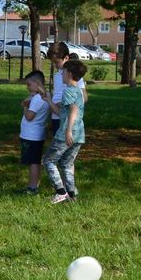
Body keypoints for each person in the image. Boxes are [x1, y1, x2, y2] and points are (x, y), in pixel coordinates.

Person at [43, 59, 88, 204]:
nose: (61, 74)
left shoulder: (68, 91)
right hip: (79, 134)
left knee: (48, 160)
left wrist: (68, 131)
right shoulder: (79, 92)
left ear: (68, 73)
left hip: (66, 134)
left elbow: (73, 109)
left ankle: (60, 192)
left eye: (63, 71)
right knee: (66, 164)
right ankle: (72, 195)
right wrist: (49, 100)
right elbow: (61, 112)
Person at [19, 70, 50, 195]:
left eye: (29, 85)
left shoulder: (37, 99)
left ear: (37, 83)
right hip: (36, 134)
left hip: (31, 135)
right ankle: (34, 185)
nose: (27, 88)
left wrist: (25, 107)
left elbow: (29, 116)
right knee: (34, 161)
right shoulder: (46, 96)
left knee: (33, 163)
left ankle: (32, 187)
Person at [47, 42, 87, 137]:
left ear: (66, 58)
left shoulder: (74, 76)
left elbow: (83, 97)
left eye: (57, 62)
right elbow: (56, 95)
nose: (55, 65)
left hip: (67, 119)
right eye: (53, 62)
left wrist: (63, 103)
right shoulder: (57, 76)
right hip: (55, 117)